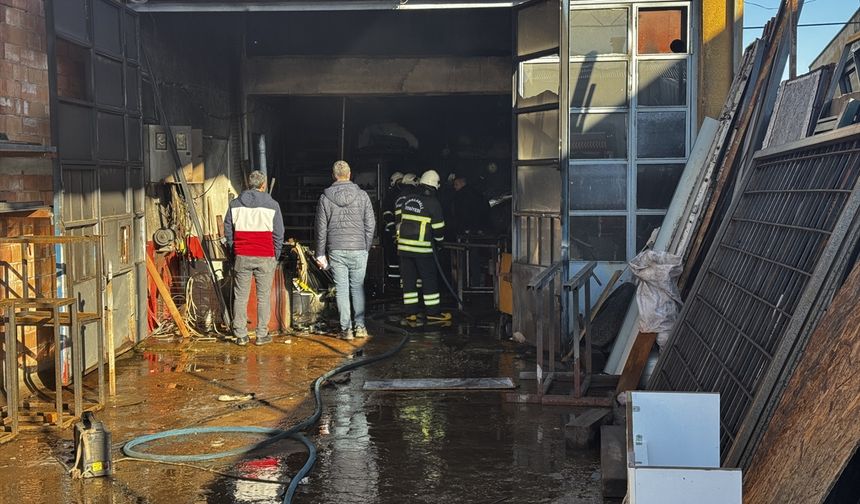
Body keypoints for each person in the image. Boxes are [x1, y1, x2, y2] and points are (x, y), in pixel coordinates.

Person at [315, 160, 376, 340]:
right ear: (349, 175)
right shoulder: (362, 196)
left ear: (334, 176)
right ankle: (360, 328)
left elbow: (321, 228)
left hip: (336, 249)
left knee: (341, 289)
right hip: (358, 248)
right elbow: (370, 224)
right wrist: (365, 246)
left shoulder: (325, 198)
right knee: (357, 288)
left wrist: (320, 253)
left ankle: (346, 330)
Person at [224, 170, 284, 346]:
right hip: (265, 256)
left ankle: (241, 335)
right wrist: (275, 254)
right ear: (263, 185)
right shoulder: (272, 205)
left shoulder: (235, 204)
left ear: (248, 184)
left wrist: (234, 248)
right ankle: (261, 334)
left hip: (242, 255)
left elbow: (228, 229)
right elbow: (279, 234)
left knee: (240, 297)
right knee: (263, 297)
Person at [396, 169, 451, 325]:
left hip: (404, 249)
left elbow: (400, 221)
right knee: (429, 281)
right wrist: (440, 243)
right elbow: (439, 229)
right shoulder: (433, 203)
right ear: (433, 186)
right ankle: (433, 313)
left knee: (409, 281)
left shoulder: (407, 199)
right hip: (423, 250)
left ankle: (411, 313)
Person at [381, 172, 404, 286]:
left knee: (399, 261)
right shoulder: (391, 197)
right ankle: (394, 285)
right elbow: (387, 215)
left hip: (399, 234)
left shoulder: (400, 196)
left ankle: (397, 284)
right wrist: (393, 233)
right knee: (394, 260)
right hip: (392, 235)